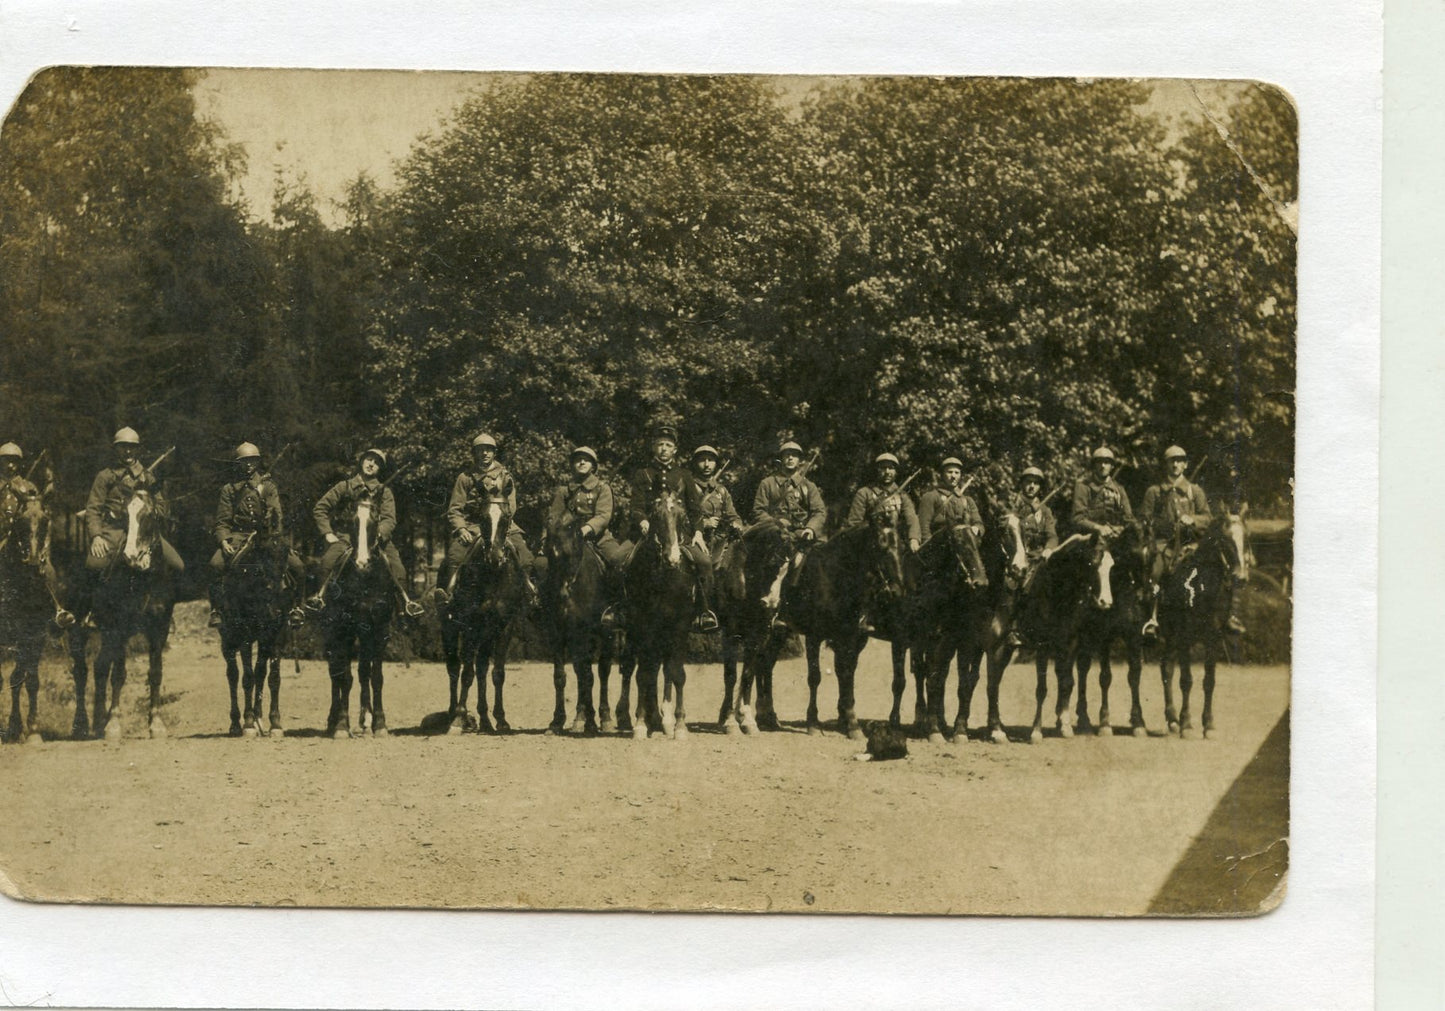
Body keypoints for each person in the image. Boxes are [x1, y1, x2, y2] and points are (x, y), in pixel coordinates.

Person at [626, 422, 716, 632]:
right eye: (660, 445)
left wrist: (699, 532)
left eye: (668, 445)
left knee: (705, 563)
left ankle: (704, 612)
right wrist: (643, 521)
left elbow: (695, 510)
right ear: (653, 448)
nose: (664, 449)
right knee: (620, 560)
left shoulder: (684, 475)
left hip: (680, 536)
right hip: (647, 534)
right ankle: (620, 609)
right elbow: (636, 506)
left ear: (674, 449)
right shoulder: (643, 474)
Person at [207, 442, 306, 627]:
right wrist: (223, 541)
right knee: (215, 564)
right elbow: (222, 521)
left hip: (268, 537)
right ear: (238, 463)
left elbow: (277, 515)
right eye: (244, 461)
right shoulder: (229, 489)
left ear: (258, 462)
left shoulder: (268, 486)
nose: (249, 464)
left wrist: (268, 525)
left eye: (253, 460)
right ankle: (217, 610)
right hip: (238, 536)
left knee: (298, 567)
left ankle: (296, 608)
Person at [433, 432, 537, 606]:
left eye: (488, 450)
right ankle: (449, 595)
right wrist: (461, 529)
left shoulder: (505, 476)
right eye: (480, 450)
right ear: (474, 453)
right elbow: (455, 509)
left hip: (503, 525)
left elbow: (511, 506)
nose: (485, 454)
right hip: (473, 526)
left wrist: (500, 524)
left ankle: (530, 593)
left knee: (525, 556)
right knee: (455, 554)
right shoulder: (465, 478)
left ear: (494, 453)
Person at [307, 448, 414, 613]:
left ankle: (405, 606)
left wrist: (380, 533)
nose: (371, 464)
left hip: (376, 538)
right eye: (369, 459)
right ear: (362, 461)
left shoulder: (385, 492)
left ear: (380, 469)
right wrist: (327, 533)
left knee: (397, 567)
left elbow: (389, 518)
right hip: (347, 537)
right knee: (328, 562)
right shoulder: (345, 486)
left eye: (377, 462)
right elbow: (320, 508)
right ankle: (319, 600)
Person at [85, 427, 184, 573]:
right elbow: (93, 509)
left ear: (137, 450)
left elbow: (162, 508)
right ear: (116, 449)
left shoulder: (148, 477)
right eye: (123, 447)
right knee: (94, 565)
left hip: (145, 531)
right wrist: (96, 536)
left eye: (132, 447)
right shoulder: (105, 476)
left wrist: (150, 506)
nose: (128, 452)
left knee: (177, 565)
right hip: (115, 530)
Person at [846, 452, 922, 634]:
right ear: (877, 471)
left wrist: (913, 538)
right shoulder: (865, 493)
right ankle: (863, 615)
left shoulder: (902, 496)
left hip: (896, 545)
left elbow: (912, 519)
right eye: (883, 468)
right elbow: (853, 523)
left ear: (895, 471)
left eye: (891, 468)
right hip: (872, 545)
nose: (887, 472)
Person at [0, 443, 71, 625]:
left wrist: (43, 549)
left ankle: (57, 611)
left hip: (25, 542)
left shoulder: (28, 486)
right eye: (6, 461)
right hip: (1, 539)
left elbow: (38, 518)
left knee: (48, 571)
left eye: (14, 462)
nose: (10, 466)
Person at [751, 440, 828, 593]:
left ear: (800, 460)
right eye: (787, 455)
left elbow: (819, 511)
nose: (791, 458)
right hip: (775, 535)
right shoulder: (768, 483)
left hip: (801, 535)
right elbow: (759, 511)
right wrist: (776, 525)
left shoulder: (808, 486)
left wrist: (810, 529)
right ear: (781, 459)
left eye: (795, 456)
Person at [1002, 465, 1059, 647]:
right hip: (1016, 554)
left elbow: (1052, 535)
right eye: (1028, 483)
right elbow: (1007, 527)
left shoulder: (1045, 510)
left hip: (1039, 556)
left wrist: (1049, 549)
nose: (1032, 487)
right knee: (1017, 582)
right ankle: (1012, 628)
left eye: (1036, 483)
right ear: (1022, 485)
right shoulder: (1014, 504)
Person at [691, 445, 744, 559]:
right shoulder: (688, 488)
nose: (706, 464)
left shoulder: (721, 490)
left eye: (710, 460)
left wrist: (736, 524)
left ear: (715, 464)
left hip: (720, 541)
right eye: (702, 460)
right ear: (695, 463)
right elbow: (680, 518)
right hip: (695, 539)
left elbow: (732, 514)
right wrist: (704, 523)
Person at [1070, 446, 1133, 541]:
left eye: (1107, 462)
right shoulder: (1083, 486)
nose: (1103, 466)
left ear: (1112, 466)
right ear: (1094, 466)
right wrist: (1099, 528)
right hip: (1090, 537)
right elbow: (1078, 518)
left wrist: (1120, 528)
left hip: (1116, 537)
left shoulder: (1119, 489)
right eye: (1099, 462)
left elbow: (1128, 518)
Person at [916, 456, 983, 543]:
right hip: (939, 544)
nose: (953, 476)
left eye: (957, 472)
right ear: (942, 475)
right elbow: (924, 527)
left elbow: (978, 522)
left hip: (964, 543)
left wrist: (976, 528)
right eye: (949, 472)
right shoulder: (931, 497)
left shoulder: (967, 500)